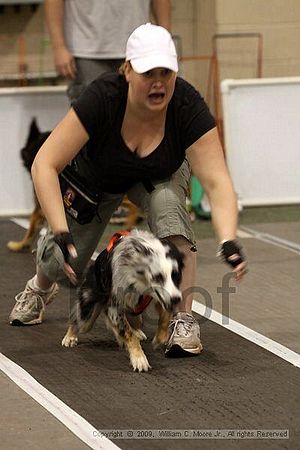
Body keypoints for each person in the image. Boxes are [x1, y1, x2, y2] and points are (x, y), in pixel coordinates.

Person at [9, 24, 247, 357]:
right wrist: (61, 230)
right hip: (97, 180)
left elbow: (218, 181)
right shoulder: (101, 98)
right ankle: (38, 289)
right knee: (60, 261)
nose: (159, 82)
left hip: (156, 176)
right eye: (149, 72)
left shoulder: (187, 105)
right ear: (127, 70)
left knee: (170, 211)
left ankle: (182, 319)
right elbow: (43, 164)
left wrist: (227, 238)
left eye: (167, 72)